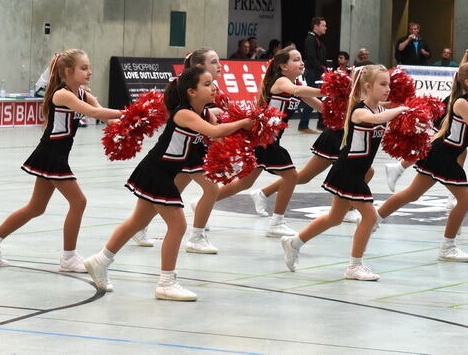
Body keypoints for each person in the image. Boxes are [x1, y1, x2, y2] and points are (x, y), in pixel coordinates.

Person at [83, 67, 252, 300]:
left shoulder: (203, 113)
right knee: (178, 225)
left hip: (163, 171)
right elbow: (213, 131)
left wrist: (243, 142)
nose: (213, 87)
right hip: (157, 171)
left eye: (213, 83)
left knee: (137, 221)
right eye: (207, 84)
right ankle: (166, 283)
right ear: (191, 91)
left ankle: (100, 260)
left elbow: (217, 135)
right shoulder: (183, 113)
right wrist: (244, 122)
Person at [0, 50, 122, 269]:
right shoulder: (62, 95)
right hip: (51, 154)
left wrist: (129, 129)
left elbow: (101, 113)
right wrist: (131, 112)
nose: (90, 72)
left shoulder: (82, 93)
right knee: (79, 202)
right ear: (67, 71)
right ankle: (69, 258)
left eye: (89, 67)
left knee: (36, 207)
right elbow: (93, 113)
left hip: (57, 154)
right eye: (84, 68)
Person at [279, 65, 410, 281]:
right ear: (367, 86)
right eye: (383, 84)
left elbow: (384, 115)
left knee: (334, 218)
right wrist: (401, 110)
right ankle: (354, 266)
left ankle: (293, 242)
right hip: (347, 170)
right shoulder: (359, 111)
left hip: (355, 172)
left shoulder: (378, 109)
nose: (388, 89)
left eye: (389, 84)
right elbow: (378, 120)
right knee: (369, 216)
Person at [376, 61, 468, 262]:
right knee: (465, 201)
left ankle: (373, 219)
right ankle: (447, 247)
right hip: (443, 153)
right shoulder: (461, 103)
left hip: (444, 154)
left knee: (412, 194)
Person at [212, 46, 325, 237]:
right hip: (266, 140)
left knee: (244, 184)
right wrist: (327, 90)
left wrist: (344, 109)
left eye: (301, 58)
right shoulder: (282, 82)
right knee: (291, 176)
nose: (301, 62)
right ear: (283, 66)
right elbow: (297, 90)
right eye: (296, 59)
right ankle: (277, 223)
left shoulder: (294, 83)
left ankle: (202, 204)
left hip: (266, 140)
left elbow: (321, 108)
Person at [132, 48, 226, 254]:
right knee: (211, 189)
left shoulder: (208, 89)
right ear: (199, 67)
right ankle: (196, 237)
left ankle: (140, 226)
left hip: (192, 147)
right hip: (187, 149)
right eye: (214, 62)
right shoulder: (187, 91)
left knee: (172, 191)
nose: (219, 66)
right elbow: (187, 118)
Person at [300, 17, 329, 134]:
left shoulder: (317, 39)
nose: (325, 28)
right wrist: (322, 68)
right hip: (312, 73)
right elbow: (311, 57)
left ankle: (321, 124)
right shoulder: (310, 39)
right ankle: (303, 124)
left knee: (322, 98)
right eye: (323, 25)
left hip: (318, 73)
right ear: (316, 26)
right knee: (311, 98)